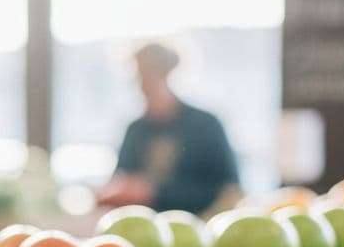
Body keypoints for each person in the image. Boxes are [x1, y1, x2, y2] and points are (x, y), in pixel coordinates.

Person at [98, 43, 239, 215]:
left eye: (151, 73)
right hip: (141, 226)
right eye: (140, 75)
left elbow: (228, 189)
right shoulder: (135, 129)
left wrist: (154, 192)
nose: (144, 83)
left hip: (197, 224)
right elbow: (121, 178)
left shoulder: (205, 125)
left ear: (167, 73)